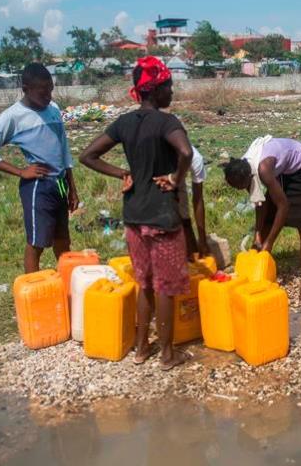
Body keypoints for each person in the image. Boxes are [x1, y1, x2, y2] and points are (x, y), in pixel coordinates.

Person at [79, 57, 194, 370]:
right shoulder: (167, 123)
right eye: (168, 86)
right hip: (162, 217)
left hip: (133, 216)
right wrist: (174, 178)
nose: (172, 91)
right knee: (166, 288)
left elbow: (87, 155)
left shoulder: (124, 123)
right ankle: (168, 355)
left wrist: (121, 173)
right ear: (156, 90)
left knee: (144, 284)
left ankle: (142, 348)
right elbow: (186, 152)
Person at [0, 63, 79, 274]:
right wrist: (22, 171)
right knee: (37, 242)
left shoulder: (54, 109)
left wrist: (72, 188)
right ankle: (33, 291)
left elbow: (63, 149)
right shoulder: (13, 116)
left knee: (63, 240)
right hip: (37, 188)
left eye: (50, 91)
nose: (48, 97)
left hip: (59, 184)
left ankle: (67, 286)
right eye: (42, 93)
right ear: (25, 88)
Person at [223, 137, 301, 301]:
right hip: (284, 170)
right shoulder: (244, 167)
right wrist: (258, 235)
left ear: (247, 178)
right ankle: (260, 273)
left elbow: (284, 206)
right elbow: (260, 204)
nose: (238, 190)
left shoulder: (263, 169)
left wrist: (269, 242)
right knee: (269, 216)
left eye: (238, 187)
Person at [175, 145, 209, 260]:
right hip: (157, 175)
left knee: (184, 218)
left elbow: (198, 199)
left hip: (177, 179)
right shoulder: (160, 152)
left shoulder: (196, 159)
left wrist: (203, 241)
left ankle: (191, 253)